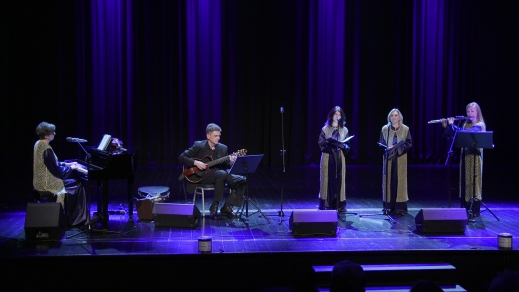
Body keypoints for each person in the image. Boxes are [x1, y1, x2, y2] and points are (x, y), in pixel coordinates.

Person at [178, 123, 246, 219]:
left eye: (219, 136)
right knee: (222, 174)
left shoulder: (223, 148)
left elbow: (225, 165)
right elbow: (181, 157)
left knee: (242, 180)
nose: (218, 138)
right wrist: (195, 162)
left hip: (219, 175)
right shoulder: (199, 145)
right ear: (208, 136)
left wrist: (231, 162)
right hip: (202, 175)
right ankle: (215, 205)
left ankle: (227, 206)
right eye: (215, 136)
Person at [33, 122, 88, 226]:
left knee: (74, 180)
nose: (54, 133)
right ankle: (76, 219)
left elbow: (52, 164)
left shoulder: (39, 144)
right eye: (52, 132)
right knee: (78, 184)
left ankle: (75, 217)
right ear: (46, 135)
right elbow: (56, 171)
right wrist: (72, 167)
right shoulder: (46, 148)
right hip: (46, 182)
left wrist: (68, 163)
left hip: (40, 179)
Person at [442, 102, 486, 218]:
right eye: (468, 111)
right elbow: (455, 137)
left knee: (473, 182)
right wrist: (448, 127)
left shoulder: (479, 124)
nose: (470, 113)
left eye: (472, 111)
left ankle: (474, 209)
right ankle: (465, 208)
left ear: (477, 112)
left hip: (475, 157)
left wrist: (453, 125)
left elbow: (466, 134)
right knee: (465, 182)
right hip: (465, 157)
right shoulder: (466, 123)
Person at [318, 106, 351, 212]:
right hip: (328, 157)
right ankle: (326, 203)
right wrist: (330, 143)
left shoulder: (344, 130)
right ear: (332, 115)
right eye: (335, 114)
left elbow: (348, 145)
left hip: (339, 157)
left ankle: (339, 204)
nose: (337, 116)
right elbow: (321, 144)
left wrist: (342, 146)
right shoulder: (325, 129)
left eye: (339, 115)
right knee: (327, 179)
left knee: (339, 180)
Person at [379, 108, 412, 215]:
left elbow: (408, 144)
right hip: (388, 158)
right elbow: (381, 143)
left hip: (400, 158)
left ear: (399, 117)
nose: (394, 117)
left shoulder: (405, 129)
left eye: (396, 115)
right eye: (392, 115)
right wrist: (387, 148)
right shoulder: (385, 129)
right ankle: (388, 206)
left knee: (400, 181)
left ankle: (400, 207)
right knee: (388, 181)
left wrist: (396, 149)